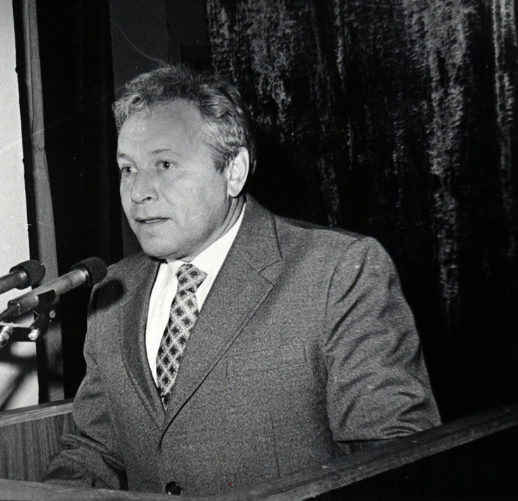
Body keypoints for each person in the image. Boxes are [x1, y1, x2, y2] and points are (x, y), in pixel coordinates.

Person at [43, 64, 440, 495]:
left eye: (165, 164)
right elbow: (94, 449)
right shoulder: (113, 290)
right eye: (128, 169)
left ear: (233, 171)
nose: (139, 192)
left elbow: (392, 462)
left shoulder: (338, 270)